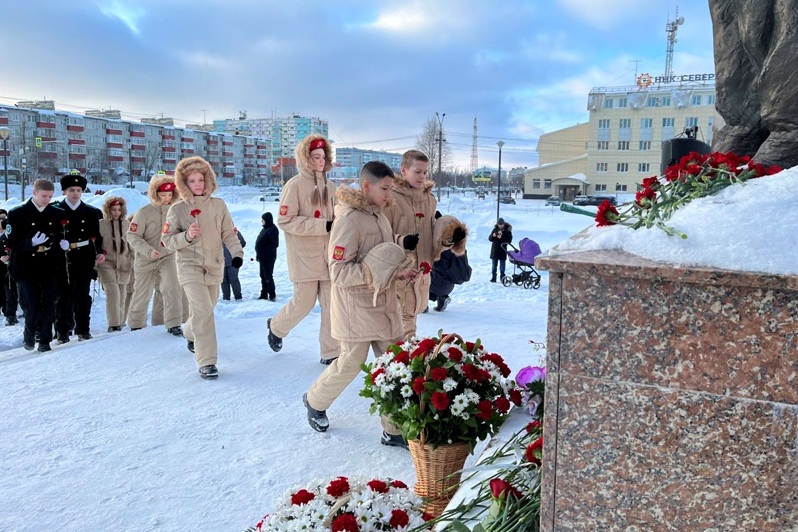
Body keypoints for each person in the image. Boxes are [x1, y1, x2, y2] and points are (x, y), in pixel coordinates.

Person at [303, 161, 417, 448]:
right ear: (366, 186)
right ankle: (315, 401)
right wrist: (374, 273)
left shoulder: (379, 214)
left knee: (392, 366)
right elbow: (338, 272)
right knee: (351, 363)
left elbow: (383, 255)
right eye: (384, 188)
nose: (389, 194)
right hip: (356, 309)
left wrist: (400, 270)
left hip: (383, 304)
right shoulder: (349, 219)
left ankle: (393, 431)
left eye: (391, 189)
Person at [162, 156, 243, 380]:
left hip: (214, 266)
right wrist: (187, 236)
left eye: (201, 179)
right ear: (184, 184)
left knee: (203, 311)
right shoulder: (177, 210)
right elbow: (167, 241)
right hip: (189, 267)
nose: (198, 184)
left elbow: (229, 232)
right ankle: (207, 361)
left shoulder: (218, 205)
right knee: (204, 312)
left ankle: (189, 332)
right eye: (192, 181)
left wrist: (237, 254)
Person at [268, 134, 340, 365]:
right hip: (305, 257)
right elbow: (286, 220)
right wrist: (322, 225)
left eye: (323, 156)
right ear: (306, 159)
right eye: (316, 157)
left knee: (331, 306)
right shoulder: (295, 186)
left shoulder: (331, 186)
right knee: (304, 302)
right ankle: (276, 327)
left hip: (329, 257)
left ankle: (330, 352)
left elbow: (339, 218)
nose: (320, 161)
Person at [383, 150, 466, 337]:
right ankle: (399, 362)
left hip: (421, 272)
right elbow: (381, 234)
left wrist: (449, 238)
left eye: (425, 172)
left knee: (411, 318)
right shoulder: (391, 199)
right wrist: (401, 243)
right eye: (417, 171)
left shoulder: (430, 200)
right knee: (402, 325)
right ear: (403, 171)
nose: (422, 176)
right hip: (400, 273)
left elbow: (432, 239)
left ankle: (402, 361)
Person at [5, 179, 67, 352]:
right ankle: (29, 335)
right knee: (31, 302)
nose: (46, 200)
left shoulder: (56, 213)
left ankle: (45, 340)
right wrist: (29, 243)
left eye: (50, 196)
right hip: (26, 265)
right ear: (34, 193)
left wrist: (62, 245)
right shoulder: (17, 214)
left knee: (48, 303)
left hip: (49, 264)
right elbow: (12, 242)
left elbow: (58, 235)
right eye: (43, 196)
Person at [127, 174, 184, 336]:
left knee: (172, 287)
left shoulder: (176, 212)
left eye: (169, 195)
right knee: (142, 292)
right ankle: (136, 324)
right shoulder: (144, 212)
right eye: (162, 195)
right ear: (154, 194)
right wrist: (147, 250)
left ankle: (172, 323)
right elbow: (132, 236)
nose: (166, 198)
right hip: (145, 259)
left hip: (168, 256)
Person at [54, 171, 105, 343]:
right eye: (71, 190)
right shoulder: (55, 211)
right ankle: (62, 331)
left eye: (78, 190)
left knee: (82, 295)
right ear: (64, 192)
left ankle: (83, 329)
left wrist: (99, 251)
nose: (75, 193)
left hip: (84, 256)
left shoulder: (91, 212)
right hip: (63, 258)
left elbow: (97, 236)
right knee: (63, 296)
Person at [97, 196, 133, 332]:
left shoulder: (126, 224)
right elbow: (96, 243)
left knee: (122, 293)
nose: (116, 212)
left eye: (119, 209)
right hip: (107, 263)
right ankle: (113, 324)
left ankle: (120, 322)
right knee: (113, 292)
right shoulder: (101, 224)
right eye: (113, 210)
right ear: (108, 210)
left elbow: (131, 243)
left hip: (124, 263)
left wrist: (134, 259)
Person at [255, 211, 279, 301]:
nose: (262, 221)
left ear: (267, 220)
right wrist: (259, 254)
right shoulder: (265, 228)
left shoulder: (273, 229)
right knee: (262, 275)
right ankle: (264, 294)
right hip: (262, 257)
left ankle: (272, 295)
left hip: (268, 258)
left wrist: (264, 253)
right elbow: (260, 242)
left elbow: (274, 244)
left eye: (263, 220)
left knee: (268, 276)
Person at [221, 231, 247, 300]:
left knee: (233, 279)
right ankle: (226, 297)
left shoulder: (235, 232)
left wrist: (235, 251)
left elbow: (243, 243)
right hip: (221, 261)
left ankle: (238, 297)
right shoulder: (217, 233)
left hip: (233, 260)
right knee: (223, 280)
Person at [489, 217, 513, 282]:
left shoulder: (507, 231)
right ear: (497, 224)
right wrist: (493, 236)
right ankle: (493, 277)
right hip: (495, 250)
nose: (501, 226)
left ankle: (502, 278)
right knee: (494, 266)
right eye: (499, 224)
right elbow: (490, 239)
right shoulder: (495, 229)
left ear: (504, 224)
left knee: (502, 266)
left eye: (502, 224)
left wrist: (502, 237)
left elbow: (509, 241)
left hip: (502, 250)